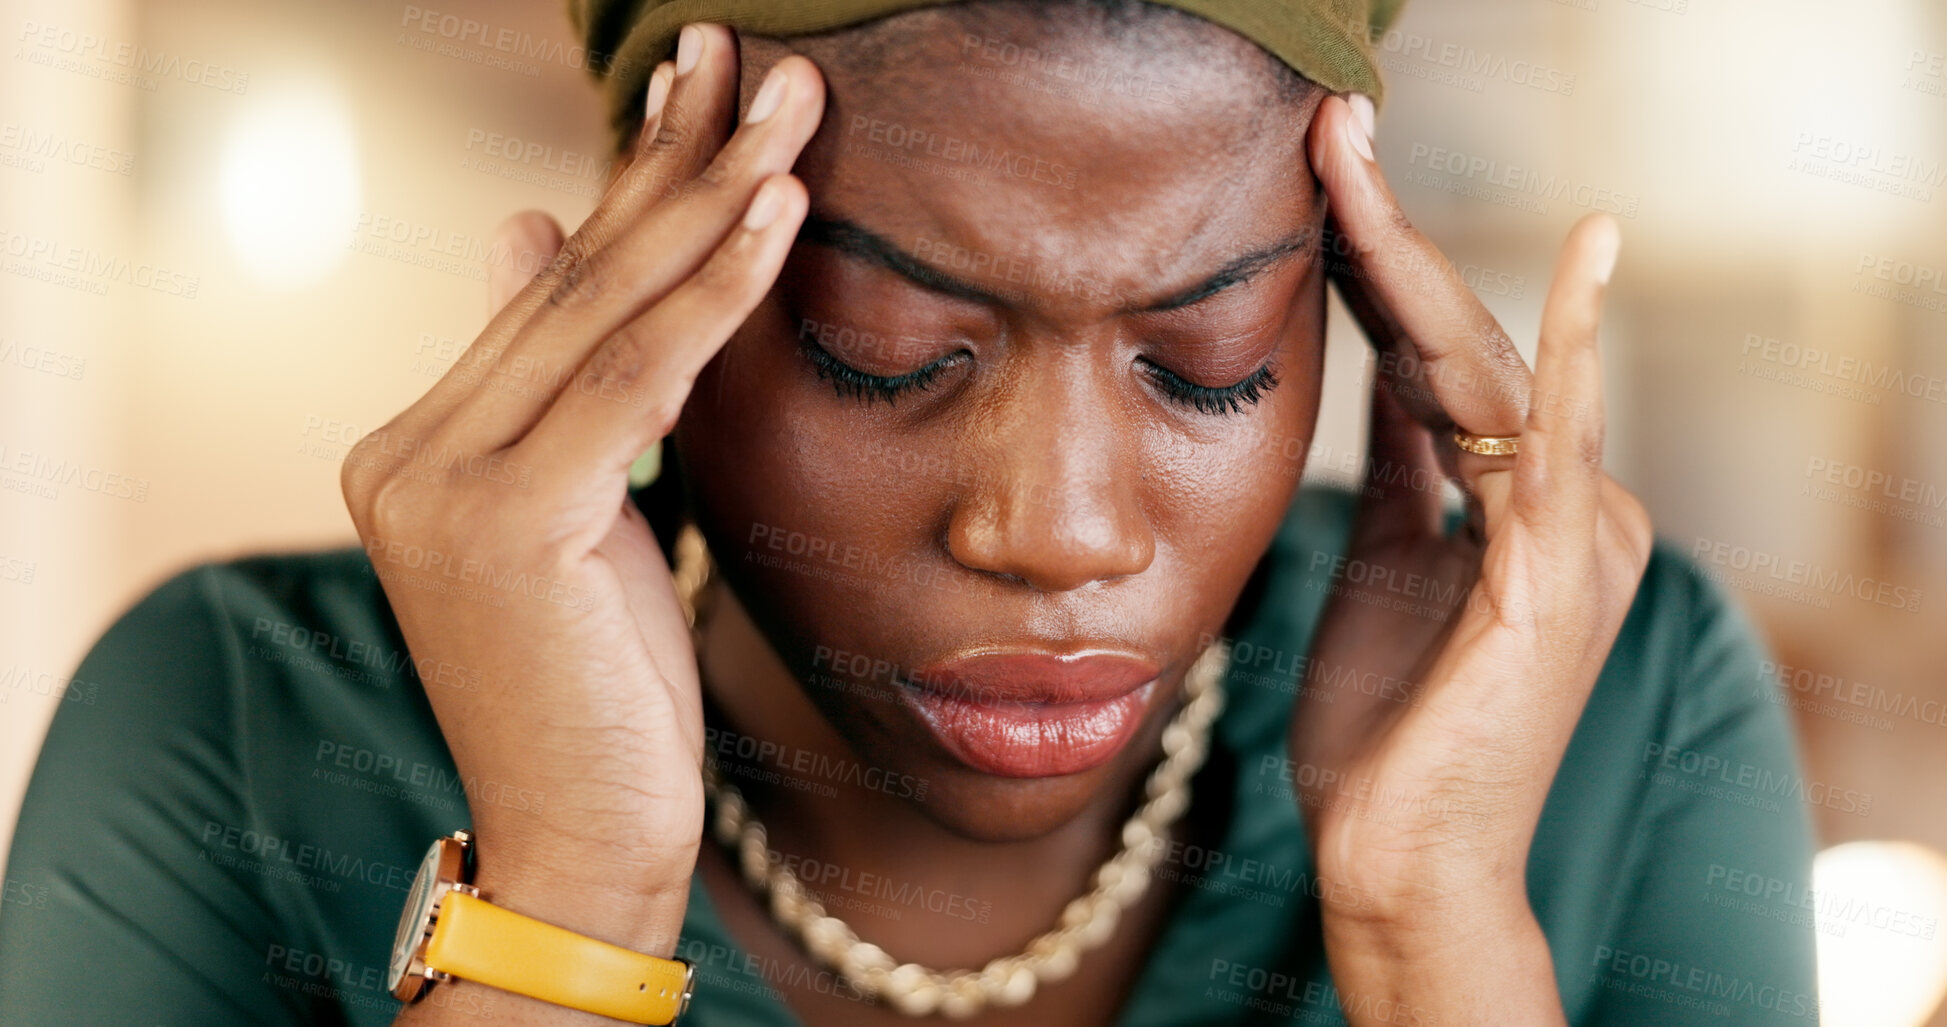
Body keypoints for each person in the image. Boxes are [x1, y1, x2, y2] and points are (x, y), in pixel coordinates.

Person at [0, 1, 1820, 1024]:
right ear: (656, 286)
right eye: (889, 353)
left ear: (1349, 298)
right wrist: (569, 892)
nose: (1061, 531)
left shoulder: (1618, 703)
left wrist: (1435, 929)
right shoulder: (243, 719)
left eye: (1206, 360)